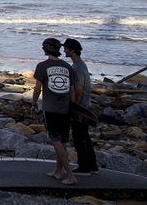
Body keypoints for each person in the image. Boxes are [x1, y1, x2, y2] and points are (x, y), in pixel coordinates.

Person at [32, 37, 77, 185]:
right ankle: (58, 172)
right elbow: (71, 90)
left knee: (55, 141)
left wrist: (33, 103)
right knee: (62, 142)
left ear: (45, 49)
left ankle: (70, 175)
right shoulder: (67, 67)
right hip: (66, 110)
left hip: (50, 109)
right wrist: (74, 107)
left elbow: (38, 88)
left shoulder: (42, 66)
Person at [63, 37, 99, 175]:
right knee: (85, 136)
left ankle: (84, 167)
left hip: (80, 108)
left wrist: (73, 106)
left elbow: (78, 89)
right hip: (84, 106)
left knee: (79, 137)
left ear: (72, 51)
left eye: (66, 48)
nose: (64, 50)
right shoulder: (79, 65)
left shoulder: (77, 68)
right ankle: (93, 165)